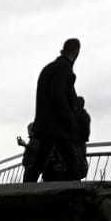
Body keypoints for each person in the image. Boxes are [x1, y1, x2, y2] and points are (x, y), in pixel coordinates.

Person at [31, 38, 84, 181]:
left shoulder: (50, 68)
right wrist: (70, 119)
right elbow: (58, 94)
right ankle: (77, 191)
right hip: (57, 125)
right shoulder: (64, 69)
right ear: (76, 52)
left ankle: (26, 187)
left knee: (40, 159)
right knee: (71, 158)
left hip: (45, 124)